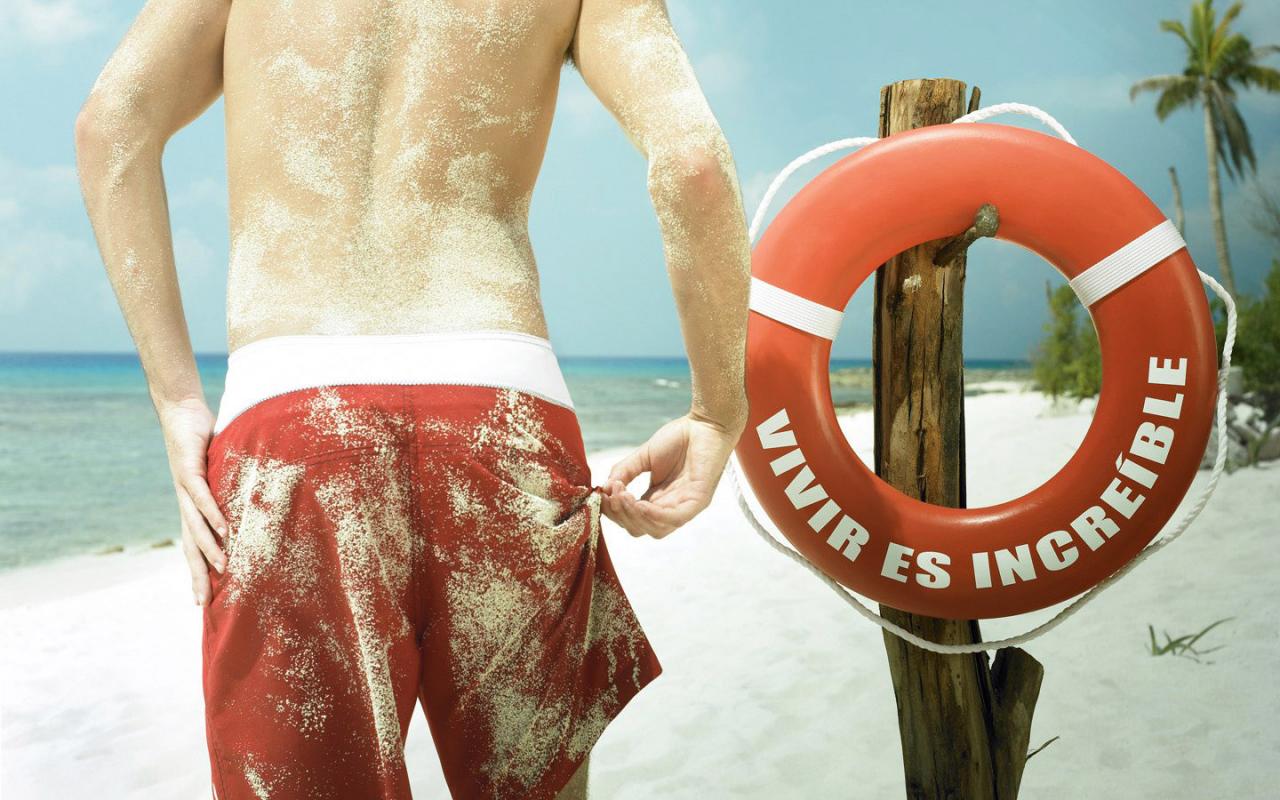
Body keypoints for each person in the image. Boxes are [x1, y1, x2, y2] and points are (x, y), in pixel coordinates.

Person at [75, 0, 751, 798]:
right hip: (502, 414)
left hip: (292, 420)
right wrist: (716, 410)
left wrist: (176, 400)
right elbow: (693, 164)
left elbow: (110, 125)